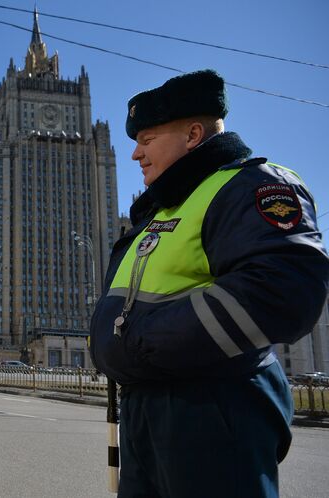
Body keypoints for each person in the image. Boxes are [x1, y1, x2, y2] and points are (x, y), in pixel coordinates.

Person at [89, 69, 329, 498]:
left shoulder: (251, 185)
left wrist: (139, 344)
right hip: (149, 409)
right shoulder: (158, 214)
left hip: (212, 409)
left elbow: (283, 290)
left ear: (193, 134)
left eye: (146, 141)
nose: (135, 155)